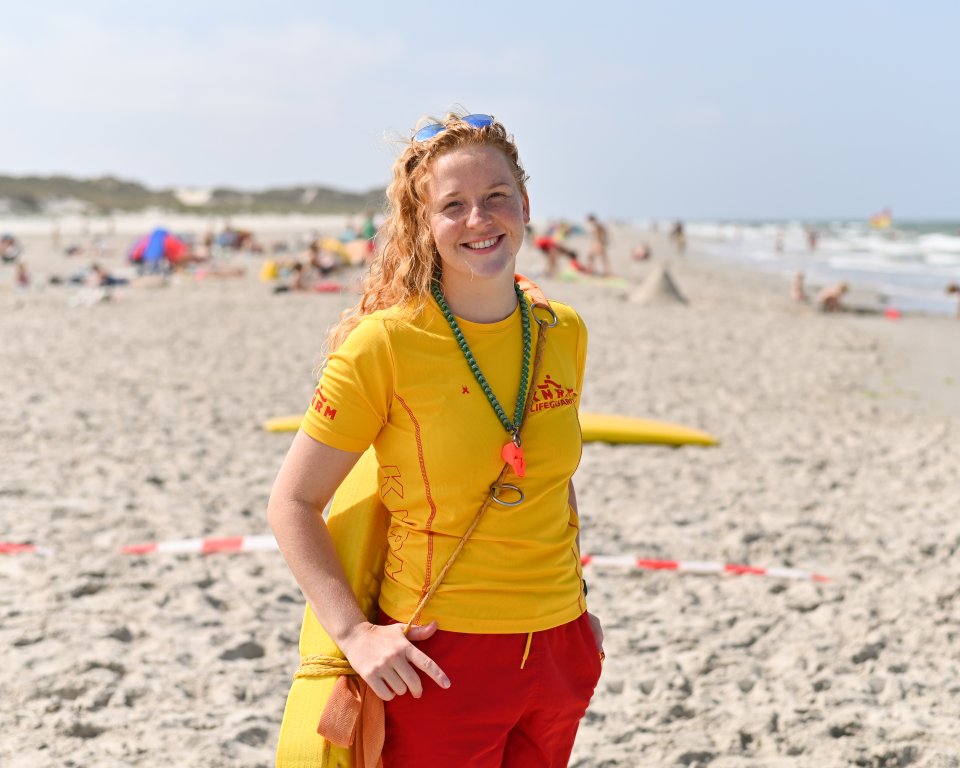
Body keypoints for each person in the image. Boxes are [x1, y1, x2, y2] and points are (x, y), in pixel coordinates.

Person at [269, 112, 603, 766]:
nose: (480, 218)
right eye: (453, 205)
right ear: (424, 224)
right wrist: (354, 633)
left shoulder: (562, 331)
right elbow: (292, 503)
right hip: (440, 658)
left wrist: (579, 613)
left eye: (496, 196)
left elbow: (553, 482)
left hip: (561, 650)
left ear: (525, 203)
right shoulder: (384, 345)